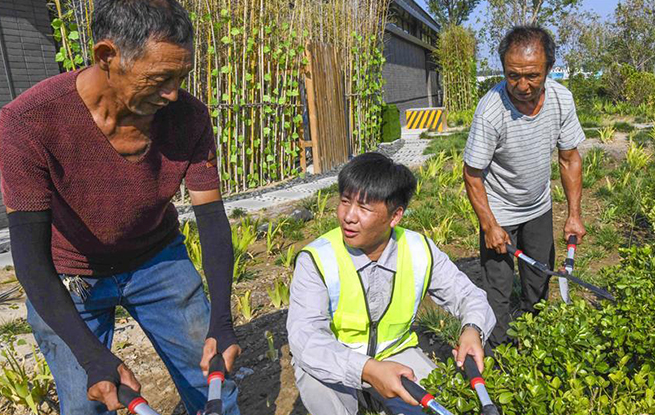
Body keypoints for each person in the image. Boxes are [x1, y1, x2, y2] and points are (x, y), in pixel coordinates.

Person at [0, 0, 240, 414]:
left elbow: (213, 221)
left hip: (158, 260)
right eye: (160, 78)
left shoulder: (188, 117)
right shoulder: (29, 123)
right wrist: (92, 358)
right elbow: (30, 260)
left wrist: (222, 319)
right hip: (71, 276)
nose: (173, 93)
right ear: (107, 56)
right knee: (88, 401)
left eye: (181, 77)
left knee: (212, 383)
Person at [287, 152, 496, 415]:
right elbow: (305, 338)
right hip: (337, 359)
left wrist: (473, 329)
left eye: (364, 208)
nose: (349, 217)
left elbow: (470, 296)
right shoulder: (317, 258)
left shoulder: (419, 250)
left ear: (395, 216)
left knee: (440, 404)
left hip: (396, 355)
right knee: (316, 380)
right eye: (344, 201)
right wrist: (367, 370)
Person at [463, 25, 586, 347]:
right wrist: (489, 225)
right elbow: (472, 174)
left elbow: (569, 159)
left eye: (532, 75)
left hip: (538, 206)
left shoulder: (561, 99)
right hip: (500, 209)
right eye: (512, 75)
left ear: (548, 68)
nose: (521, 85)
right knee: (499, 289)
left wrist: (574, 215)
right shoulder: (491, 111)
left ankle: (536, 340)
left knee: (539, 278)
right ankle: (499, 354)